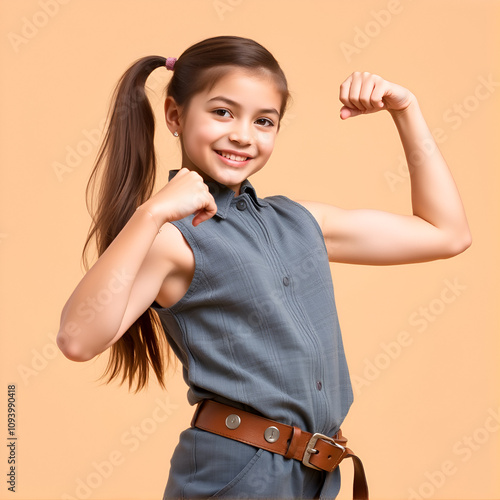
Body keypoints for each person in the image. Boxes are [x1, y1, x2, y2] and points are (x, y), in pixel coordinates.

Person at [56, 35, 471, 499]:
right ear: (174, 115)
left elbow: (447, 233)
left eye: (264, 120)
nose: (243, 134)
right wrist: (150, 213)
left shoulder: (300, 221)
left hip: (313, 476)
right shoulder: (172, 240)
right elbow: (76, 339)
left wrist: (406, 110)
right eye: (222, 112)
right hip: (238, 474)